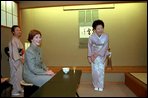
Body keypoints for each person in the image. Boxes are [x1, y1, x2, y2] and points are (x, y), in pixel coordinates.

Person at [87, 19, 109, 91]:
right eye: (98, 28)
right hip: (94, 55)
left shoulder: (106, 36)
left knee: (101, 70)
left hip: (102, 55)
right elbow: (89, 47)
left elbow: (106, 46)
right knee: (95, 70)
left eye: (102, 28)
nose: (100, 30)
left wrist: (99, 53)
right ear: (94, 29)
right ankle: (96, 85)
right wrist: (89, 56)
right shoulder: (91, 37)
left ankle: (101, 85)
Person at [8, 25, 24, 96]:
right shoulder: (13, 40)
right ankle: (14, 91)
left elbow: (21, 51)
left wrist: (23, 58)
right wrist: (21, 59)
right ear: (13, 32)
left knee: (19, 75)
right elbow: (14, 53)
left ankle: (19, 88)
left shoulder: (18, 40)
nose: (19, 31)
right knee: (15, 75)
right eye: (17, 30)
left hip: (19, 60)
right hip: (15, 61)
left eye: (20, 30)